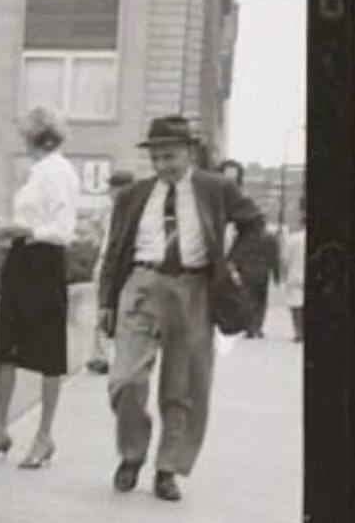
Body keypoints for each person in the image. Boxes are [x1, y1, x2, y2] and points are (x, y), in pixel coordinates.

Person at [97, 116, 264, 502]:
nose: (162, 166)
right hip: (140, 284)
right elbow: (114, 251)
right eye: (155, 158)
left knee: (183, 386)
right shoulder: (133, 196)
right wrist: (106, 301)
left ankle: (167, 469)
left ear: (189, 152)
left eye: (170, 157)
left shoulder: (216, 188)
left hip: (193, 287)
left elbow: (255, 225)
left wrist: (235, 265)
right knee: (126, 379)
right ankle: (132, 453)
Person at [0, 107, 81, 469]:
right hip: (22, 259)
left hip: (45, 263)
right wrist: (5, 228)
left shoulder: (57, 171)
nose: (21, 138)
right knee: (6, 346)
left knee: (49, 350)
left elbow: (62, 230)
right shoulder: (38, 171)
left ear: (38, 136)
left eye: (25, 132)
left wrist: (20, 230)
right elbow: (33, 220)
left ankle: (44, 436)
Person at [85, 170, 137, 374]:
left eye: (115, 187)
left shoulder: (134, 208)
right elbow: (93, 224)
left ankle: (119, 355)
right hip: (107, 261)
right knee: (102, 308)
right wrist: (99, 242)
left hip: (125, 264)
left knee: (125, 309)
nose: (112, 192)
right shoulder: (108, 209)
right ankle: (100, 356)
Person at [243, 224, 282, 338]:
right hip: (263, 272)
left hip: (248, 272)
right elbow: (274, 258)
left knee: (249, 300)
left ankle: (249, 327)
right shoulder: (271, 238)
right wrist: (276, 276)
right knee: (261, 300)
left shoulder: (246, 238)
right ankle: (258, 327)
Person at [282, 198, 306, 343]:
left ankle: (298, 332)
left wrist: (284, 275)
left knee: (295, 305)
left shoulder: (293, 239)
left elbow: (285, 259)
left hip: (295, 274)